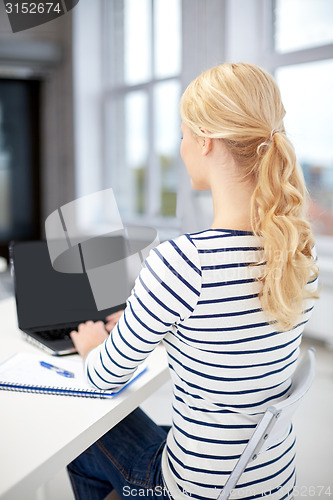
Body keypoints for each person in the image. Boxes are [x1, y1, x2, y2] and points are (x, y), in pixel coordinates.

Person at [67, 63, 319, 500]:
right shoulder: (297, 251)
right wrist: (146, 317)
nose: (180, 146)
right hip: (268, 479)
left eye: (182, 134)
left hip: (193, 488)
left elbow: (105, 378)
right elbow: (229, 338)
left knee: (84, 433)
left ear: (203, 141)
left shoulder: (185, 261)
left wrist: (92, 347)